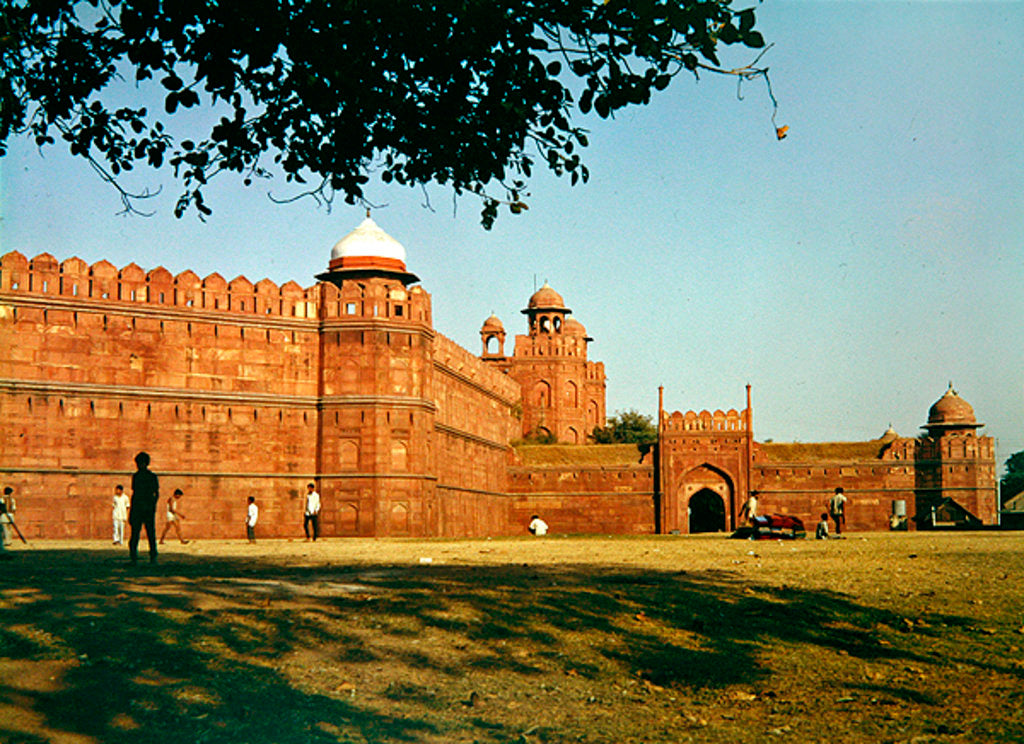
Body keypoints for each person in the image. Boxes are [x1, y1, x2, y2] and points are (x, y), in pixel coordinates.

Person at [128, 452, 160, 564]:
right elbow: (155, 494)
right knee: (147, 533)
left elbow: (136, 494)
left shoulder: (138, 477)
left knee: (140, 533)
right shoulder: (150, 477)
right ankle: (149, 556)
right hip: (145, 508)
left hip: (141, 507)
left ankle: (137, 556)